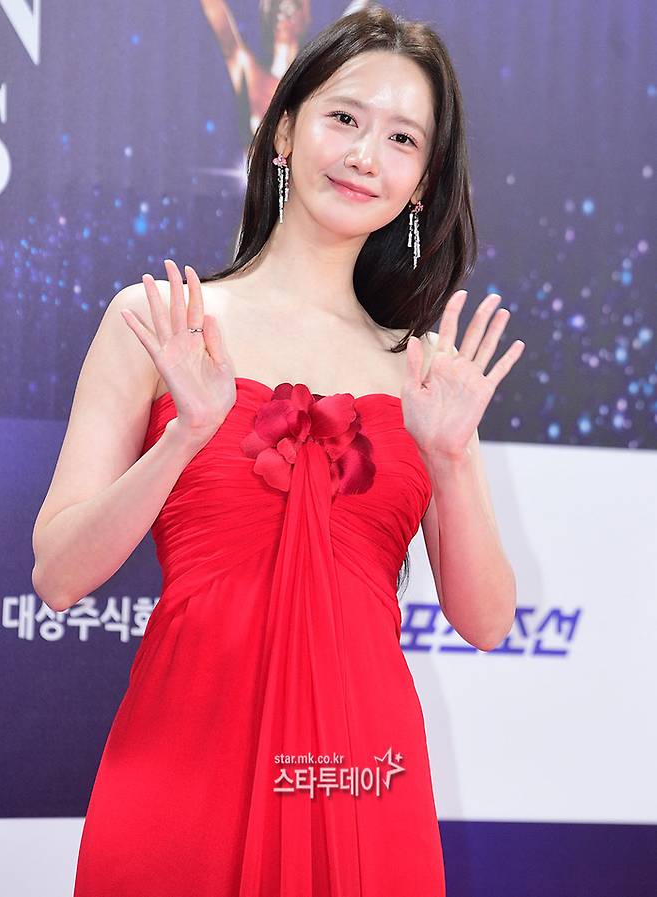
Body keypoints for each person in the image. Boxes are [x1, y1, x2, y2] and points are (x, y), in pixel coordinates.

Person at [32, 6, 524, 895]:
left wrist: (451, 458)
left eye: (402, 138)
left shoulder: (421, 375)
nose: (366, 154)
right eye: (345, 117)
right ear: (286, 130)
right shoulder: (160, 323)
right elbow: (59, 575)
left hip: (362, 782)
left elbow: (486, 622)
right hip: (181, 770)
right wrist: (184, 435)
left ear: (421, 183)